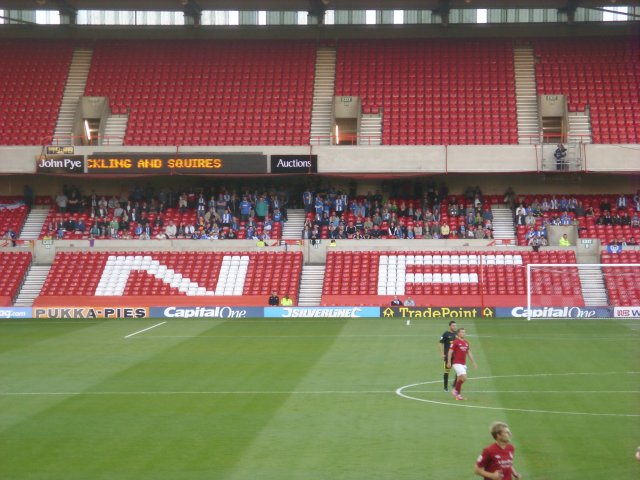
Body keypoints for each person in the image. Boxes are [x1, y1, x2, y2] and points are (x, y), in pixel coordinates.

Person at [446, 327, 477, 400]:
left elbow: (469, 352)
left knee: (459, 379)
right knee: (464, 378)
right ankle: (455, 390)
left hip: (463, 364)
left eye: (464, 332)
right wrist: (449, 362)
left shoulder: (466, 342)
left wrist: (473, 362)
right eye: (462, 332)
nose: (463, 333)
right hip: (457, 363)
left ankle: (458, 395)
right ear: (458, 333)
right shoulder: (455, 342)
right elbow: (450, 352)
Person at [439, 320, 458, 392]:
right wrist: (442, 354)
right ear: (450, 326)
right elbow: (440, 343)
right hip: (448, 356)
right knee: (447, 371)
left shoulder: (457, 334)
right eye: (453, 326)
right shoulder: (445, 334)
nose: (454, 327)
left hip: (456, 356)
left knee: (459, 371)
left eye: (455, 325)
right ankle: (445, 387)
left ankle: (454, 384)